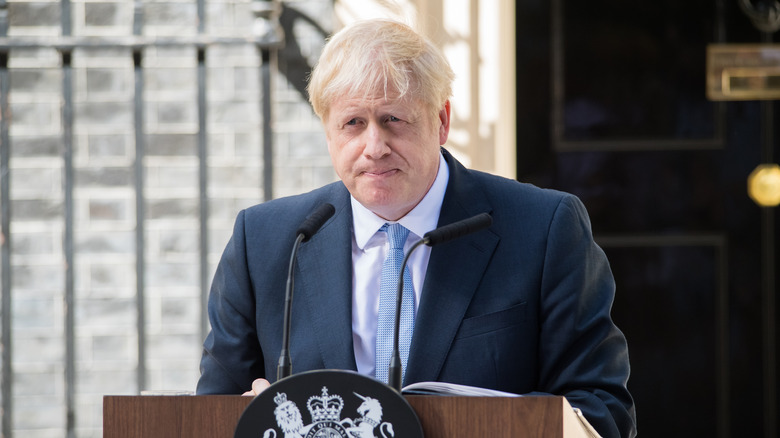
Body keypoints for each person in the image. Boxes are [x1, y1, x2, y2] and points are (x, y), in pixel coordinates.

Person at [196, 18, 637, 438]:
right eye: (353, 123)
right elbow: (210, 415)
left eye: (393, 120)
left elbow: (602, 412)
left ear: (441, 121)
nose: (374, 148)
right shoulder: (267, 241)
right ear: (328, 134)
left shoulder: (543, 227)